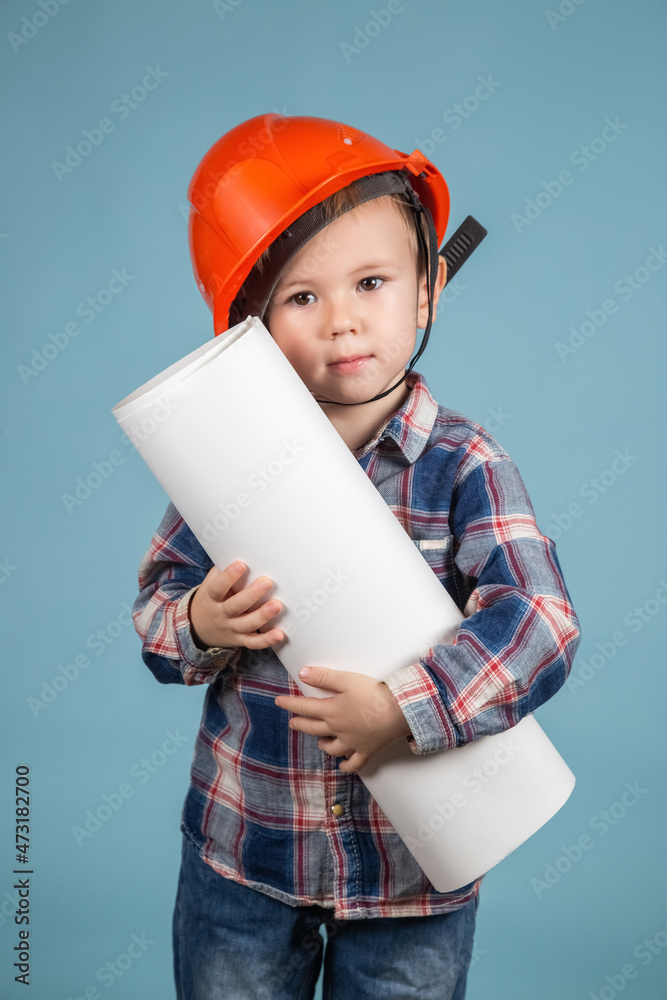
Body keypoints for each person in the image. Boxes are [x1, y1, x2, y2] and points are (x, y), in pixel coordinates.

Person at [132, 113, 581, 1000]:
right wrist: (200, 621)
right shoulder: (221, 463)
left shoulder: (466, 465)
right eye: (301, 297)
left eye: (370, 282)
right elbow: (155, 614)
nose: (342, 321)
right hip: (245, 857)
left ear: (426, 292)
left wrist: (405, 709)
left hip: (411, 881)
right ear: (249, 327)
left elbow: (540, 621)